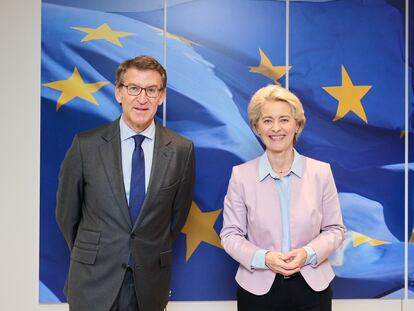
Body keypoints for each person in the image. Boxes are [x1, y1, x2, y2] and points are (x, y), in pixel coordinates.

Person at [56, 55, 196, 311]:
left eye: (151, 90)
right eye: (133, 88)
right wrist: (99, 251)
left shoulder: (181, 151)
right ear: (119, 92)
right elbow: (67, 215)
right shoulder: (85, 146)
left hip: (149, 283)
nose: (142, 99)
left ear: (161, 96)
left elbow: (175, 220)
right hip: (93, 281)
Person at [220, 85, 345, 311]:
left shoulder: (321, 172)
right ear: (256, 127)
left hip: (312, 289)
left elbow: (335, 230)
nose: (276, 128)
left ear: (297, 125)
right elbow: (230, 235)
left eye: (284, 120)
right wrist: (264, 258)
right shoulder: (241, 176)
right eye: (267, 120)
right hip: (257, 291)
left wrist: (308, 254)